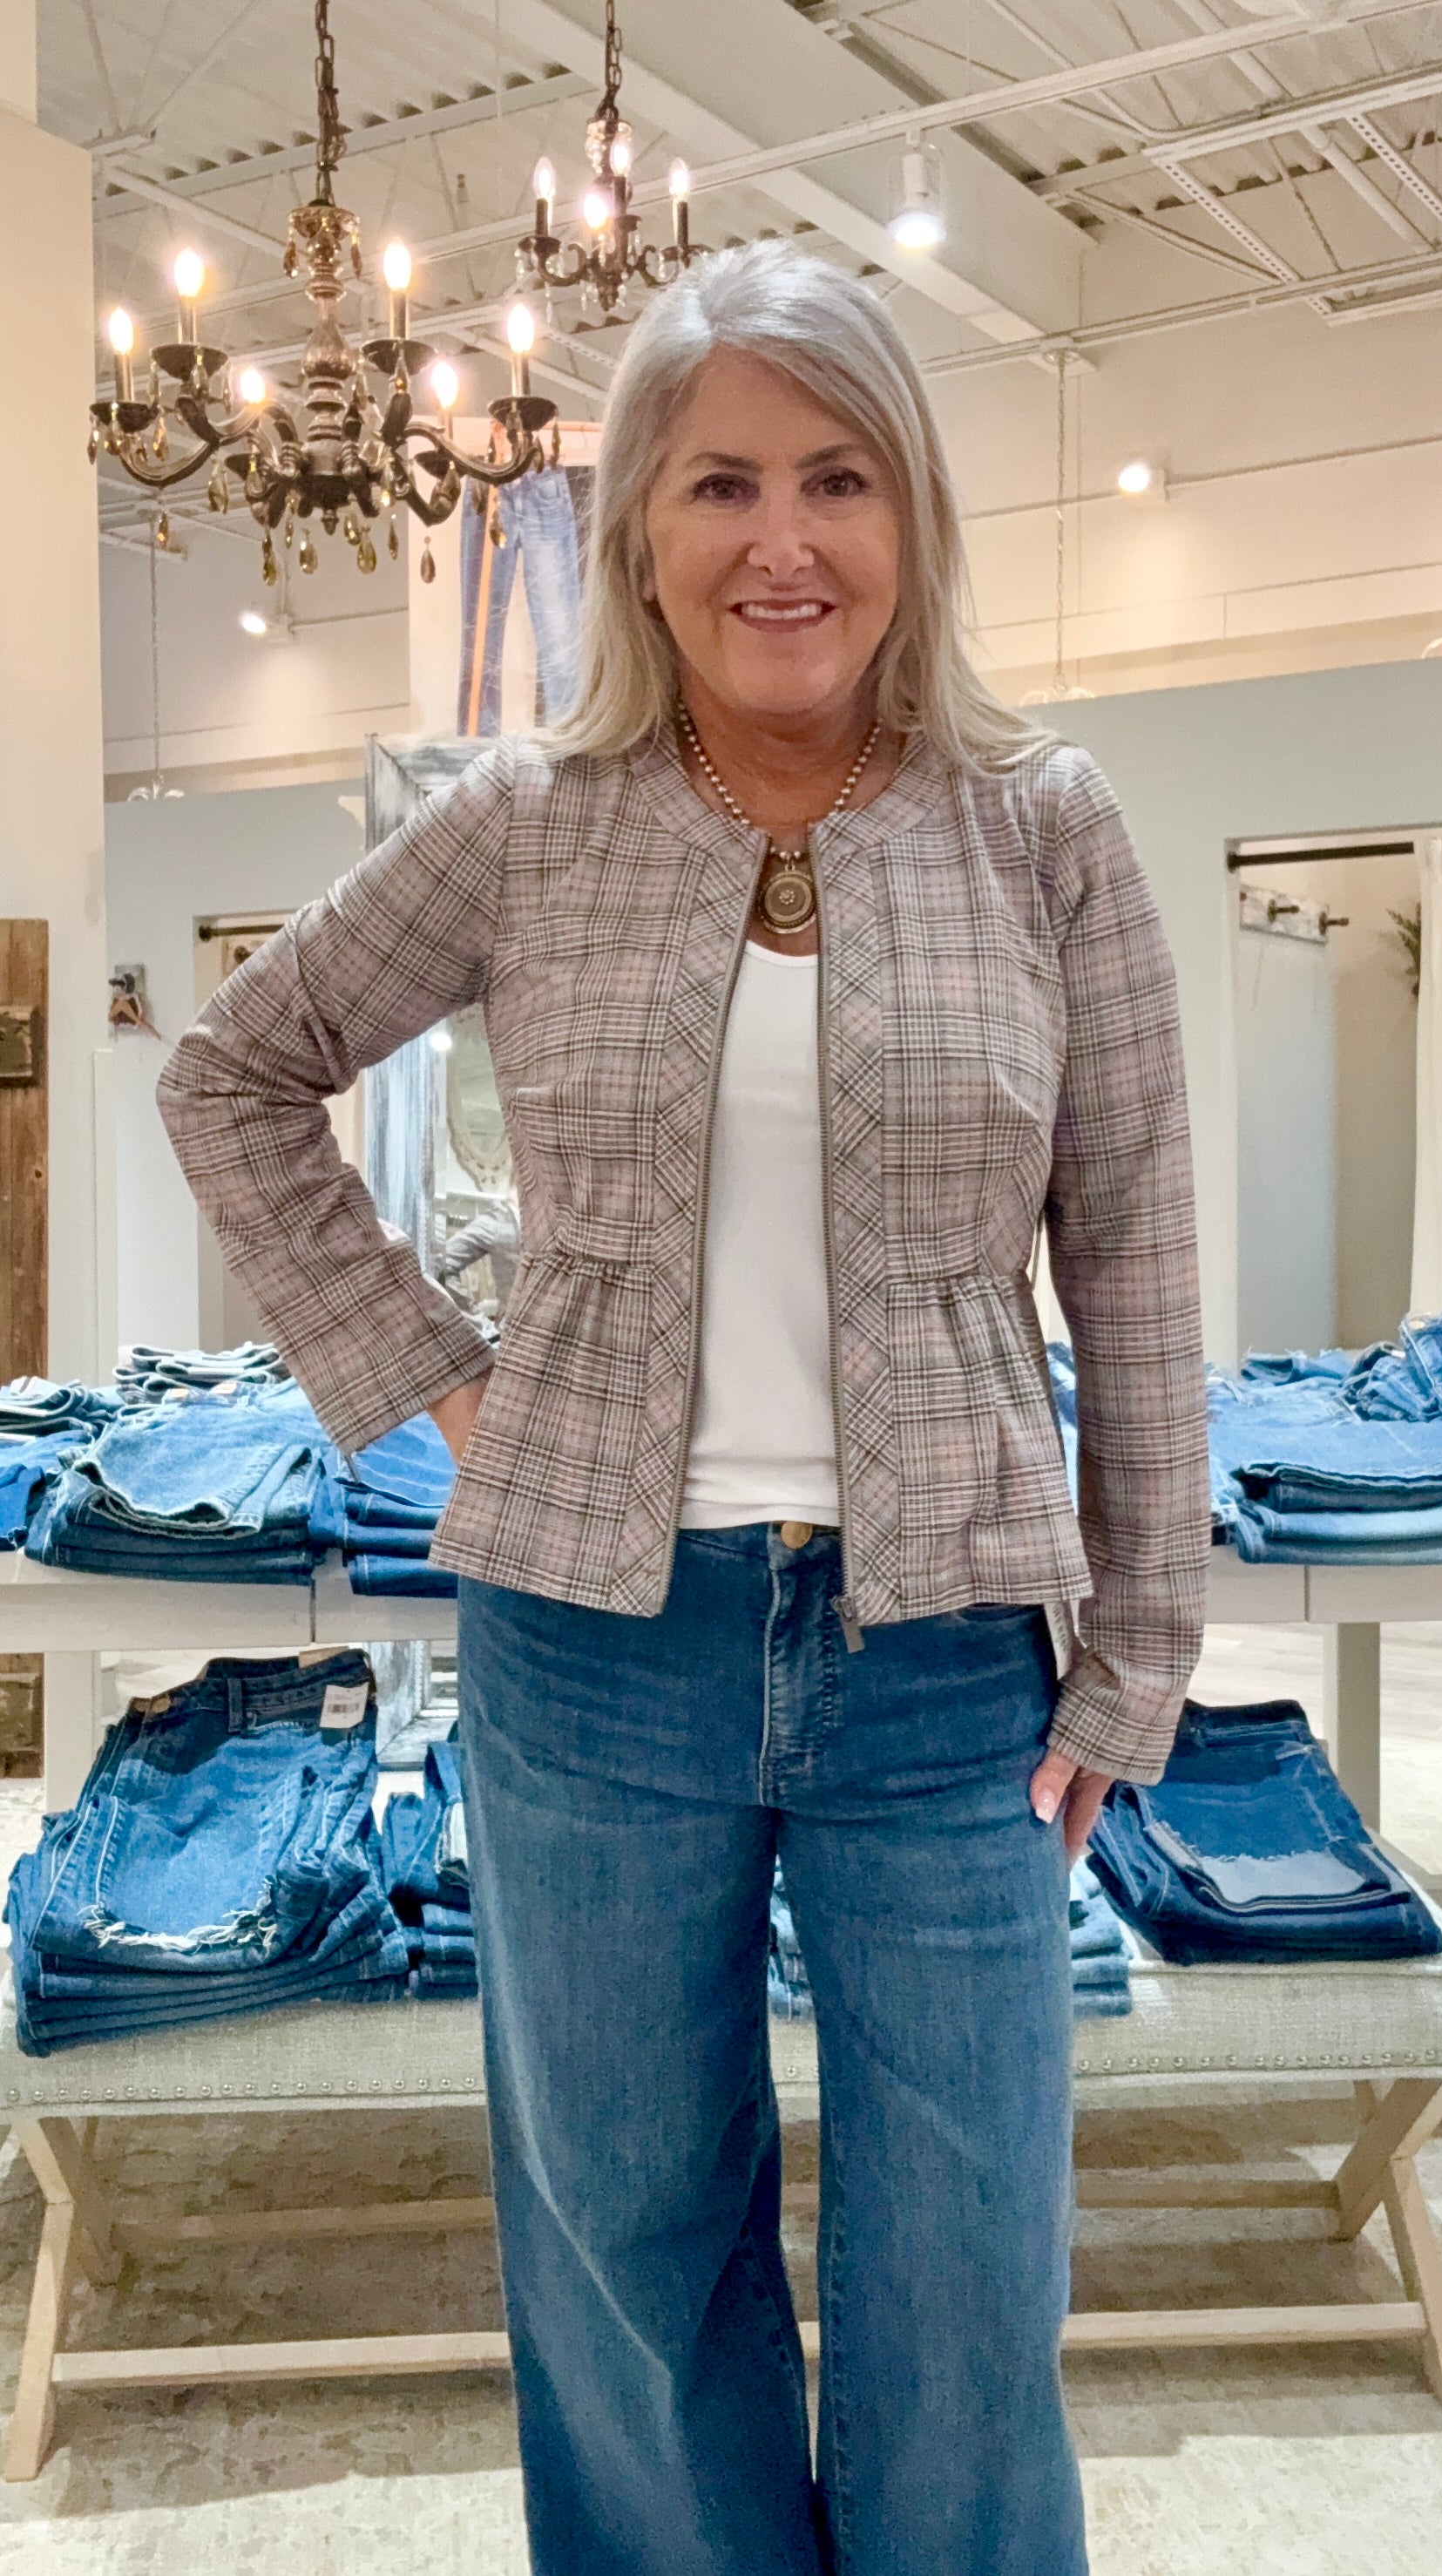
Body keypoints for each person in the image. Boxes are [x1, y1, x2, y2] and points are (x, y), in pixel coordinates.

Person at [159, 240, 1207, 2576]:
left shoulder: (1044, 827)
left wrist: (1141, 1651)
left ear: (915, 510)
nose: (781, 539)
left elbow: (1134, 1248)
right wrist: (432, 1380)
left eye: (838, 475)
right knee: (630, 2263)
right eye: (720, 480)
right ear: (637, 523)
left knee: (969, 2289)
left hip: (948, 1659)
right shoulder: (536, 816)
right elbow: (235, 1071)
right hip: (591, 1655)